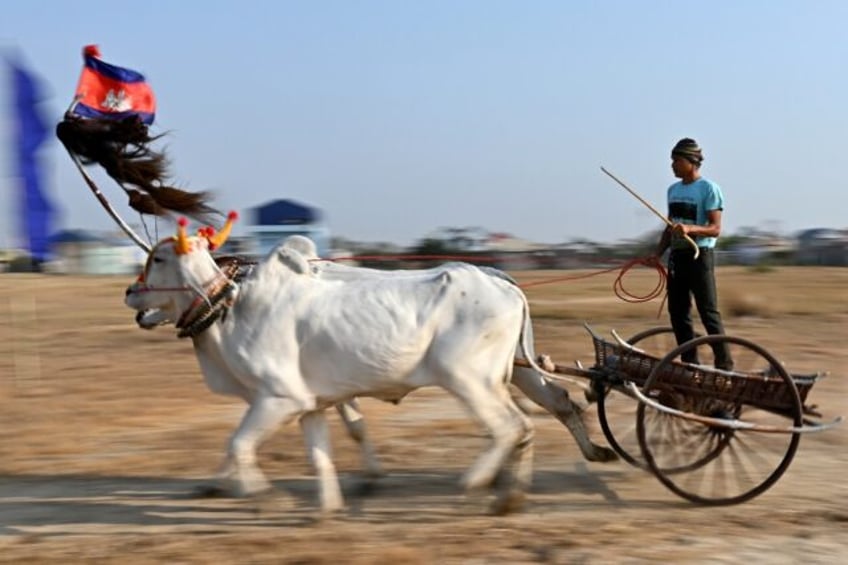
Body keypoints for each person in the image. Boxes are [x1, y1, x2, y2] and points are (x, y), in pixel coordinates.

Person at [655, 138, 733, 370]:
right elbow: (670, 227)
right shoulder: (673, 190)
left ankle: (725, 366)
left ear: (692, 162)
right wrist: (657, 254)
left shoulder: (709, 189)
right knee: (678, 314)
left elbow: (715, 229)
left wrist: (690, 229)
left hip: (700, 257)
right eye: (672, 161)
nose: (672, 165)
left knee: (708, 313)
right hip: (677, 259)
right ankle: (691, 365)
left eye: (677, 160)